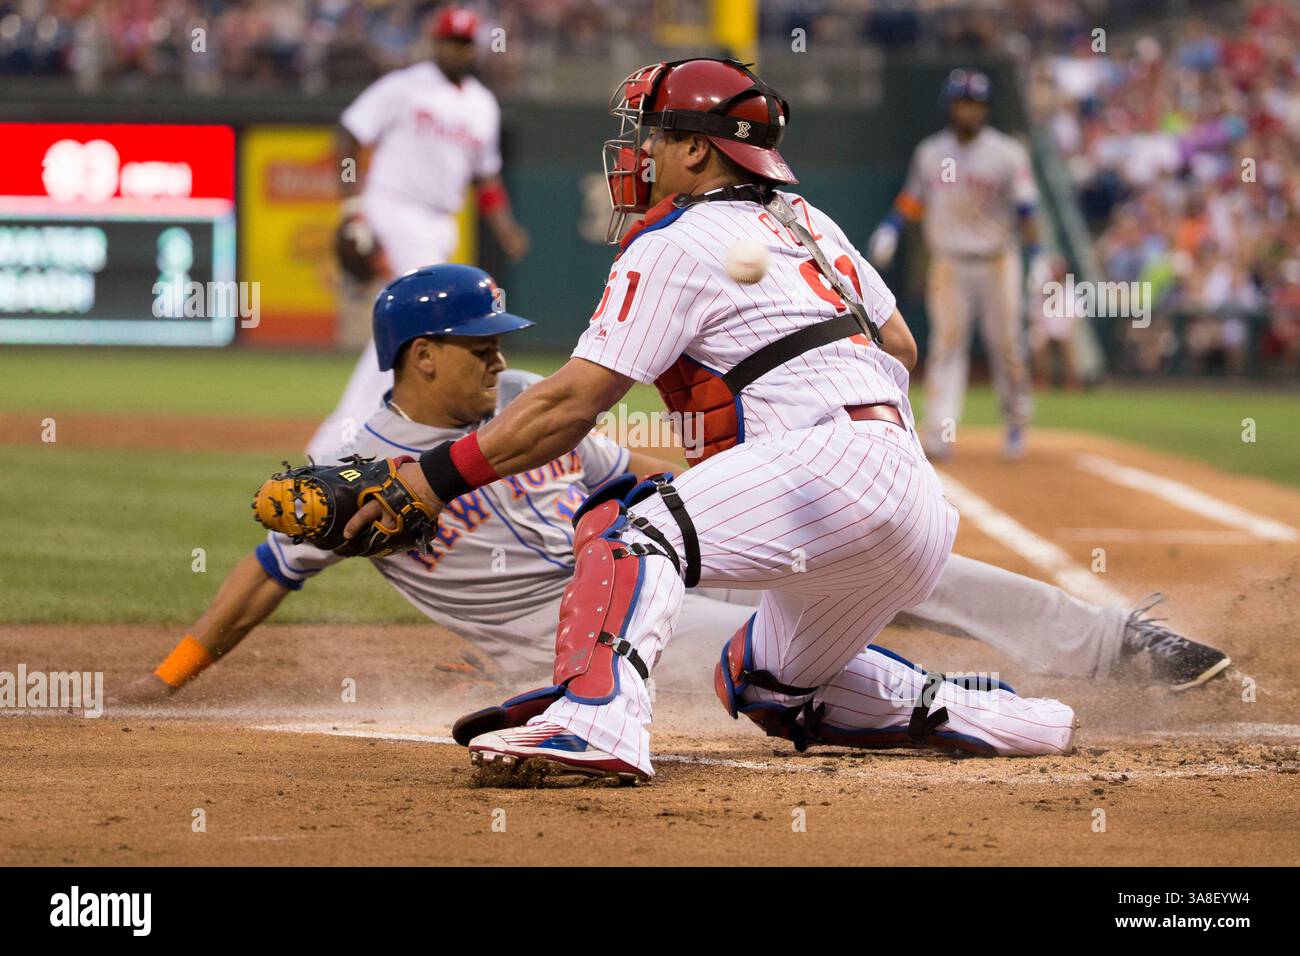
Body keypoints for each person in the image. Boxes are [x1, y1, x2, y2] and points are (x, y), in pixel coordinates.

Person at [336, 59, 1085, 783]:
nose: (642, 150)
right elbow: (901, 346)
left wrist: (434, 479)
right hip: (911, 506)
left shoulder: (672, 241)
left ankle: (598, 721)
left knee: (626, 529)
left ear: (698, 147)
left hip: (829, 467)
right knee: (768, 684)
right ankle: (1005, 718)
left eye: (655, 133)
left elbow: (569, 403)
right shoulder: (810, 221)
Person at [118, 267, 1230, 710]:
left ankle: (1110, 645)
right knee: (825, 659)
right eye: (480, 345)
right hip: (586, 651)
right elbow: (264, 578)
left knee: (879, 548)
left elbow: (626, 479)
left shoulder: (526, 424)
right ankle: (994, 708)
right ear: (418, 358)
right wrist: (174, 671)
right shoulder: (361, 479)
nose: (503, 358)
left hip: (647, 588)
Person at [307, 5, 529, 462]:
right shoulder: (404, 87)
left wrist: (504, 227)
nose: (457, 49)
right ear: (436, 41)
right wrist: (353, 208)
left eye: (465, 42)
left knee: (407, 334)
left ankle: (373, 440)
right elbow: (347, 134)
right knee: (411, 329)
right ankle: (337, 445)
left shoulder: (482, 105)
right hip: (392, 209)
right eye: (451, 40)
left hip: (440, 225)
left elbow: (485, 178)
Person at [869, 69, 1047, 461]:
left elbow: (1026, 210)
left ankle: (1016, 423)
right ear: (950, 107)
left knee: (1007, 346)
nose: (969, 110)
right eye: (962, 102)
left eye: (975, 103)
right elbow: (913, 199)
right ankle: (940, 431)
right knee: (946, 345)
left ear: (985, 108)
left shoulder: (1006, 153)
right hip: (949, 260)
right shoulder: (931, 153)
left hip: (998, 260)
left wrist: (1037, 258)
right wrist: (891, 227)